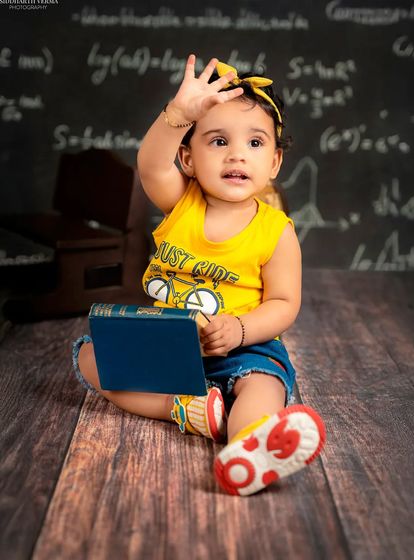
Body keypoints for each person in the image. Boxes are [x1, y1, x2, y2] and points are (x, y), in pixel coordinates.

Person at [72, 55, 326, 496]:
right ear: (188, 158)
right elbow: (151, 165)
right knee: (90, 358)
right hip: (171, 340)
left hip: (244, 347)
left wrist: (241, 329)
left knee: (263, 388)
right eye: (218, 141)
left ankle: (250, 447)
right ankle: (183, 408)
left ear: (275, 162)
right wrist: (177, 116)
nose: (235, 154)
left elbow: (285, 303)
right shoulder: (180, 203)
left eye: (254, 143)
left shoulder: (276, 232)